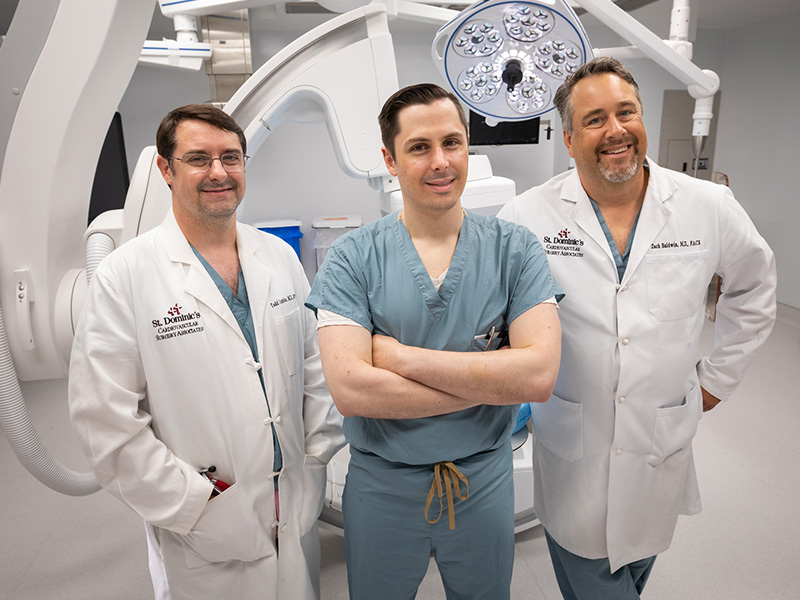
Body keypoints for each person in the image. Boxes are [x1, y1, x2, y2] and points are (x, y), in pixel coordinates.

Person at [497, 57, 777, 599]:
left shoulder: (706, 205)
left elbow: (756, 287)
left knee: (637, 562)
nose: (616, 130)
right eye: (596, 119)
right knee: (594, 571)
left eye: (626, 112)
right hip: (574, 437)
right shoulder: (525, 217)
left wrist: (717, 380)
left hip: (660, 437)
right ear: (571, 138)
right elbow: (497, 320)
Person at [68, 104, 344, 600]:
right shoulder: (125, 275)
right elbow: (104, 421)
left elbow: (314, 367)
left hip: (294, 498)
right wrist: (194, 503)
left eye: (230, 157)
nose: (218, 172)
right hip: (203, 518)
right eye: (199, 158)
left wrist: (316, 458)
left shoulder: (278, 257)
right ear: (166, 170)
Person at [305, 83, 563, 600]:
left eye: (452, 142)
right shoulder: (354, 257)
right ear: (390, 159)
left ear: (469, 146)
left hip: (482, 480)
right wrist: (494, 379)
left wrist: (399, 357)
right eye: (419, 147)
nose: (440, 161)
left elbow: (537, 377)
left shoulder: (515, 250)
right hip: (382, 484)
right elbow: (353, 391)